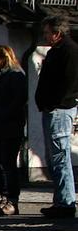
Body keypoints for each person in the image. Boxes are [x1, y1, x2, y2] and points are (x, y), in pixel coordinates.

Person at [35, 16, 78, 218]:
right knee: (55, 157)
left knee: (60, 156)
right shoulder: (58, 51)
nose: (45, 36)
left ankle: (66, 203)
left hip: (60, 110)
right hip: (54, 109)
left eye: (47, 32)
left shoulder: (69, 51)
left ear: (57, 33)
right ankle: (61, 200)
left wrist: (53, 103)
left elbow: (69, 83)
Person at [0, 45, 27, 216]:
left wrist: (2, 116)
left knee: (8, 164)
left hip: (9, 127)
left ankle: (12, 201)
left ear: (4, 58)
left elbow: (18, 101)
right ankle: (3, 198)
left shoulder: (15, 76)